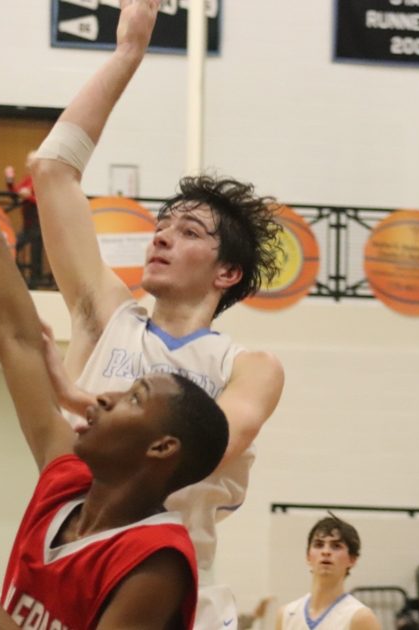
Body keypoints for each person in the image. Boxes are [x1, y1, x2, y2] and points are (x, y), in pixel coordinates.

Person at [0, 88, 229, 629]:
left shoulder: (158, 560)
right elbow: (14, 336)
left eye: (133, 397)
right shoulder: (65, 482)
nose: (101, 396)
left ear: (162, 446)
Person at [30, 2, 285, 626]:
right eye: (160, 225)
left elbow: (201, 444)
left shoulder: (250, 367)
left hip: (177, 594)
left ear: (226, 273)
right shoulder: (104, 314)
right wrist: (127, 56)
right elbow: (51, 170)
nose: (161, 236)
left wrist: (74, 398)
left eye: (189, 230)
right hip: (66, 568)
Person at [275, 516, 381, 630]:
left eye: (336, 546)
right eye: (319, 545)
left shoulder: (360, 617)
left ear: (352, 559)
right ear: (308, 556)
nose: (326, 552)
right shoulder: (286, 614)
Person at [5, 151, 47, 287]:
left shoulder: (42, 179)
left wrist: (27, 196)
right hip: (28, 225)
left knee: (36, 254)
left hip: (39, 224)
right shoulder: (28, 179)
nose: (29, 164)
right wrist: (10, 181)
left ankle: (35, 281)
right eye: (28, 161)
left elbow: (43, 201)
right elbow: (16, 194)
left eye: (32, 161)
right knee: (15, 246)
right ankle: (17, 278)